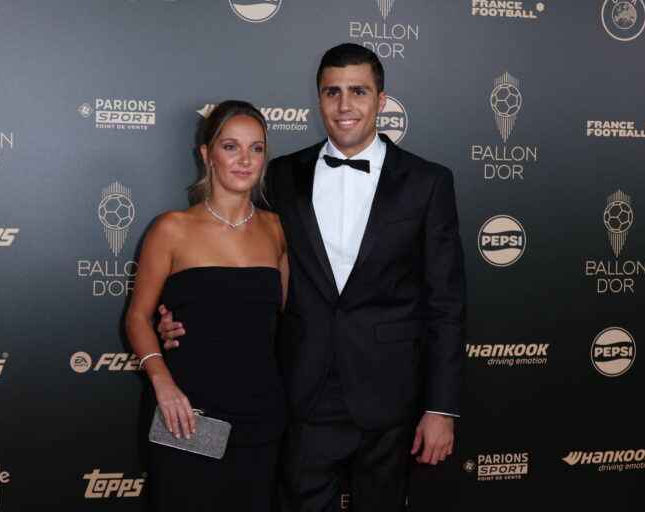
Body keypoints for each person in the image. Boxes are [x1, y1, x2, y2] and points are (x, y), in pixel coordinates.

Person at [159, 43, 466, 511]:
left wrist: (440, 409)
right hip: (301, 393)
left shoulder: (428, 182)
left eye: (358, 92)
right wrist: (184, 319)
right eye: (332, 92)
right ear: (318, 99)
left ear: (381, 101)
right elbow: (243, 263)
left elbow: (447, 304)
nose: (345, 106)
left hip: (391, 397)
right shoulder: (281, 176)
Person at [125, 100, 288, 511]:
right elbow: (139, 317)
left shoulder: (278, 229)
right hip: (190, 414)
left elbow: (289, 321)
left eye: (256, 148)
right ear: (207, 154)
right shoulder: (172, 228)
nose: (244, 160)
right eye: (231, 146)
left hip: (262, 417)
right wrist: (163, 384)